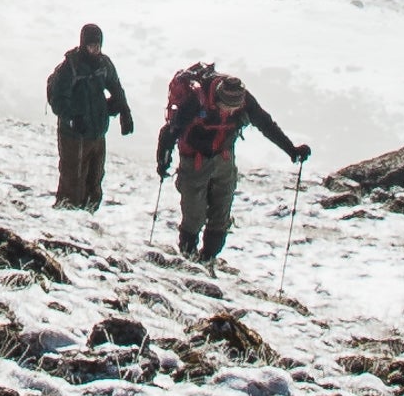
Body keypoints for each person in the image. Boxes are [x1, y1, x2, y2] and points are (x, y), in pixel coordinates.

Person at [153, 59, 307, 261]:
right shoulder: (195, 99)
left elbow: (265, 124)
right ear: (217, 98)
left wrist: (292, 150)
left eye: (234, 108)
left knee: (221, 212)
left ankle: (208, 258)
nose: (231, 111)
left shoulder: (244, 99)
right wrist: (163, 160)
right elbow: (170, 132)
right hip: (194, 159)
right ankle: (187, 256)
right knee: (194, 214)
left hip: (223, 156)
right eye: (226, 107)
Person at [45, 24, 133, 208]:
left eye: (98, 45)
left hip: (97, 130)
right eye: (91, 45)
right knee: (73, 177)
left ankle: (90, 213)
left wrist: (124, 111)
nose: (95, 49)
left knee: (95, 176)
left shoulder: (104, 64)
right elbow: (58, 99)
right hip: (74, 135)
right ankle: (67, 212)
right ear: (83, 44)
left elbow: (116, 87)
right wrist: (72, 118)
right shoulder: (70, 67)